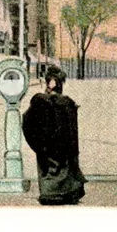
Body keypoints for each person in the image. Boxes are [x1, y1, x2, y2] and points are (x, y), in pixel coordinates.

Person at [22, 66, 87, 205]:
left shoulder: (39, 101)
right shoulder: (67, 103)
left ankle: (48, 192)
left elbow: (27, 121)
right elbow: (72, 131)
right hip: (64, 149)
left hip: (45, 147)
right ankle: (65, 193)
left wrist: (37, 145)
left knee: (47, 167)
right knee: (65, 168)